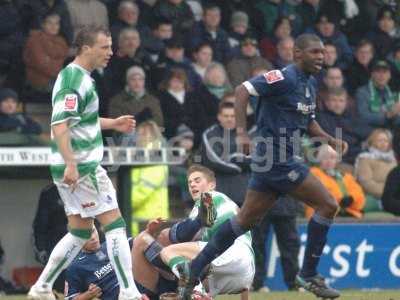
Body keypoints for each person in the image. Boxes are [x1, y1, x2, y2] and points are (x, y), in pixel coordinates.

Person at [178, 33, 348, 299]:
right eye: (314, 52)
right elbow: (242, 90)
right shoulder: (283, 77)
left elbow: (308, 122)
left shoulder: (310, 85)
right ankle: (309, 274)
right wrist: (243, 133)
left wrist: (329, 140)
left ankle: (194, 268)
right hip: (278, 159)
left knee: (243, 221)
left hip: (272, 164)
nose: (320, 57)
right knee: (328, 205)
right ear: (297, 53)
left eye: (323, 53)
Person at [27, 25, 145, 300]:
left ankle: (42, 286)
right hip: (81, 166)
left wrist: (113, 123)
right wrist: (72, 163)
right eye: (105, 47)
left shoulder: (82, 78)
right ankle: (128, 291)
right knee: (115, 225)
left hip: (72, 165)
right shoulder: (73, 80)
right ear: (86, 48)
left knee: (79, 232)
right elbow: (59, 124)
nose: (111, 52)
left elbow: (82, 121)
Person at [159, 164, 254, 298]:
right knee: (199, 271)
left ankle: (195, 288)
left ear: (212, 185)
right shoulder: (228, 204)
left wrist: (169, 233)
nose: (192, 185)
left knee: (168, 252)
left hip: (229, 253)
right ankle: (198, 290)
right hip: (246, 271)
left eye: (197, 181)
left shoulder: (208, 198)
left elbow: (184, 234)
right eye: (189, 183)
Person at [304, 145, 365, 219]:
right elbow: (317, 195)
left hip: (347, 213)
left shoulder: (345, 176)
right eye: (325, 158)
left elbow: (359, 193)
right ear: (319, 160)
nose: (329, 161)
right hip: (321, 215)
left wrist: (352, 198)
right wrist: (339, 200)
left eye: (332, 158)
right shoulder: (313, 174)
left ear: (336, 160)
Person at [32, 184, 68, 293]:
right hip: (55, 243)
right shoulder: (50, 193)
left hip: (81, 242)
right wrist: (41, 248)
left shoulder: (84, 187)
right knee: (57, 283)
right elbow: (40, 224)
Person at [354, 128, 397, 212]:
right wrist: (388, 194)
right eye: (380, 140)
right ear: (373, 142)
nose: (383, 143)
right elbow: (367, 183)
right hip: (373, 197)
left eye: (386, 140)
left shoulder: (394, 160)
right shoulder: (365, 159)